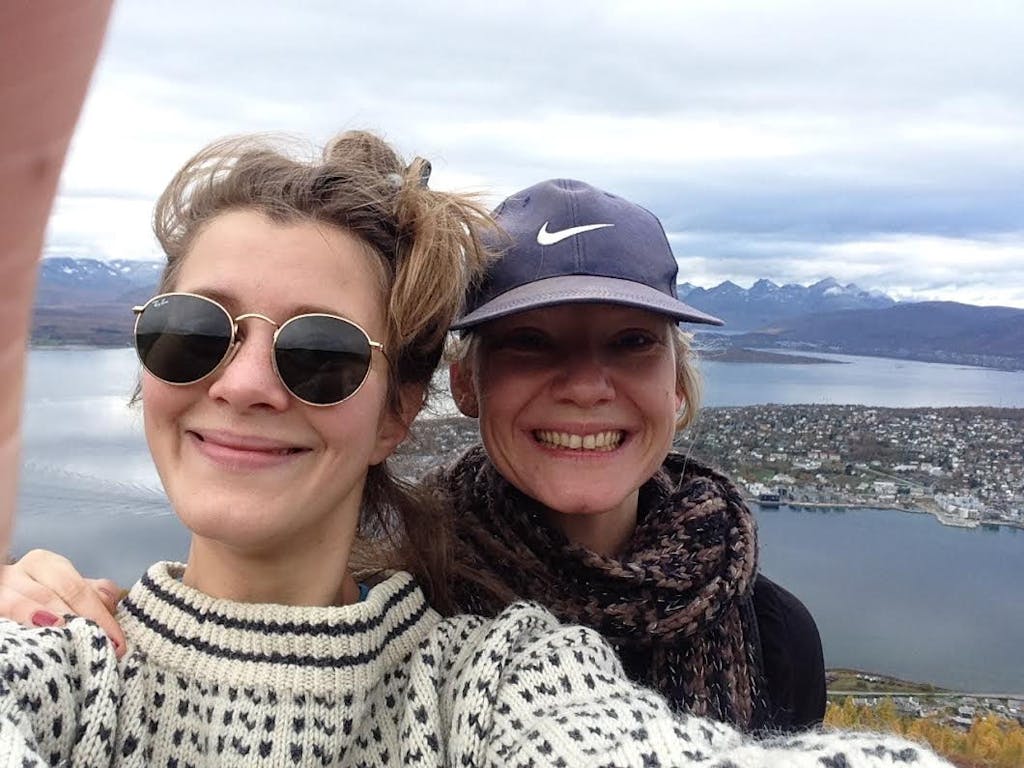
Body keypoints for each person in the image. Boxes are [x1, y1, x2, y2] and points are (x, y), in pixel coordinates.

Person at [0, 132, 954, 766]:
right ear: (458, 388)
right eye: (192, 332)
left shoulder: (500, 672)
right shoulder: (73, 659)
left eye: (322, 352)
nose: (245, 383)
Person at [436, 178, 825, 731]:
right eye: (529, 341)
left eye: (632, 342)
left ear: (677, 386)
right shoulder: (397, 606)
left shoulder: (777, 638)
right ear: (465, 384)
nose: (586, 387)